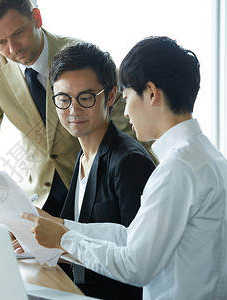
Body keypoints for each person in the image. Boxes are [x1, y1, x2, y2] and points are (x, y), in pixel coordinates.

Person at [21, 36, 227, 299]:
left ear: (150, 93)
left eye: (126, 97)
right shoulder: (206, 156)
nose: (125, 113)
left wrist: (64, 239)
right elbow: (129, 236)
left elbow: (135, 265)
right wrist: (59, 226)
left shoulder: (177, 169)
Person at [0, 0, 157, 219]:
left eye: (18, 33)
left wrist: (152, 196)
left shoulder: (83, 59)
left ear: (36, 18)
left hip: (95, 192)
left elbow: (131, 130)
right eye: (0, 42)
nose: (13, 48)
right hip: (40, 198)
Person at [48, 41, 155, 299]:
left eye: (85, 98)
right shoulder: (83, 155)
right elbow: (72, 231)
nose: (73, 110)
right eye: (63, 99)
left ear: (110, 96)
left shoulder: (129, 162)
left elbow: (138, 262)